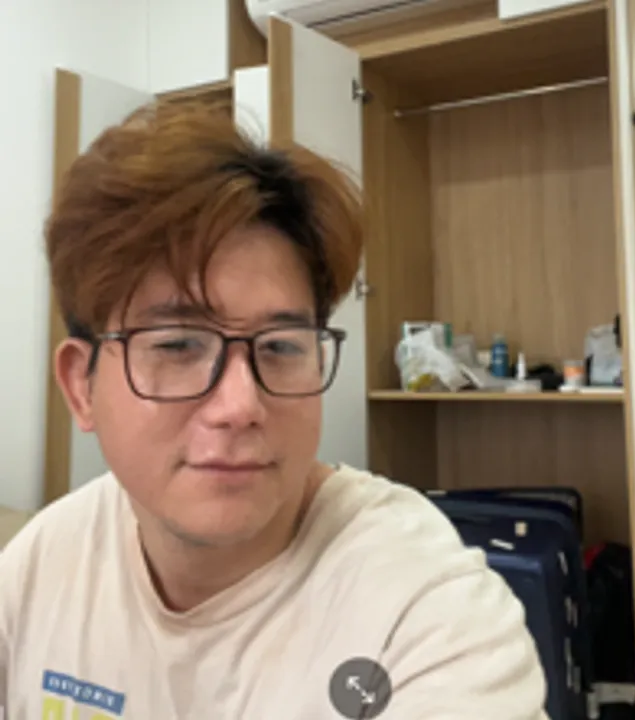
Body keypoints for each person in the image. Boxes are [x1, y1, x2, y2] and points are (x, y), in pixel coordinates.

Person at [0, 97, 548, 719]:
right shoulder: (45, 564)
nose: (240, 406)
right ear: (81, 387)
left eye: (281, 347)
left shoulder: (430, 616)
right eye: (178, 345)